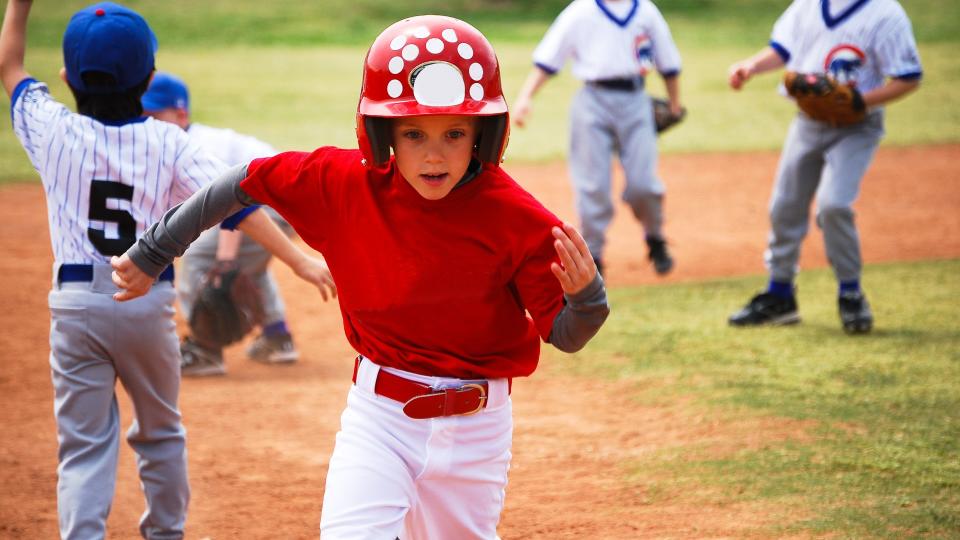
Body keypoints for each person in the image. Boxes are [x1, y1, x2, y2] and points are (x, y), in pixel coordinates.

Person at [111, 15, 610, 538]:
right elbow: (241, 182)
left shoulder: (519, 219)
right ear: (382, 132)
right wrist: (154, 252)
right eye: (414, 133)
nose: (434, 153)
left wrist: (588, 298)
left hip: (476, 433)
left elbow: (566, 335)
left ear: (485, 134)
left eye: (455, 132)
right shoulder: (344, 184)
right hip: (381, 420)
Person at [0, 2, 334, 538]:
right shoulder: (172, 143)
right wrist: (296, 258)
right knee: (160, 433)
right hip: (147, 304)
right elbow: (238, 203)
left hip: (75, 306)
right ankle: (164, 532)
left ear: (66, 77)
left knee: (83, 442)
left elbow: (11, 67)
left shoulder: (51, 131)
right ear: (151, 77)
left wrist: (18, 6)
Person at [726, 0, 922, 333]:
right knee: (785, 206)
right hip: (808, 123)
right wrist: (752, 66)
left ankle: (851, 294)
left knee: (834, 205)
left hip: (858, 127)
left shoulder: (886, 13)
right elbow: (782, 48)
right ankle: (780, 295)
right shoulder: (807, 6)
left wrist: (859, 100)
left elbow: (908, 77)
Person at [142, 72, 302, 376]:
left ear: (180, 114)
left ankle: (205, 348)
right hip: (285, 204)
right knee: (244, 263)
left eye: (153, 115)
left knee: (204, 257)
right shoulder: (185, 141)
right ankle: (277, 336)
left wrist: (225, 259)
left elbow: (235, 203)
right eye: (141, 115)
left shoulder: (195, 146)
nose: (146, 123)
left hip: (273, 203)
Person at [512, 0, 683, 277]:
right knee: (592, 185)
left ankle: (655, 237)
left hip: (636, 100)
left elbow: (668, 61)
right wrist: (525, 98)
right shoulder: (581, 11)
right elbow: (549, 58)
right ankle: (594, 255)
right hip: (592, 101)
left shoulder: (645, 10)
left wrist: (675, 104)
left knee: (644, 184)